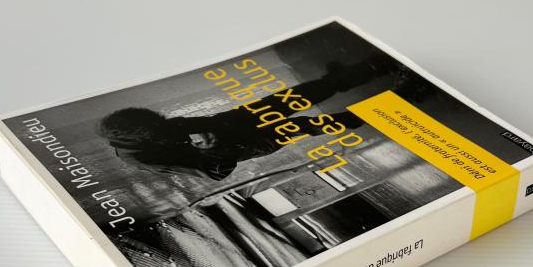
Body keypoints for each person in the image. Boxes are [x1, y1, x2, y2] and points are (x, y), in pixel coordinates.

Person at [97, 58, 377, 181]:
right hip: (250, 142)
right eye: (161, 126)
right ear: (147, 139)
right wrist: (213, 147)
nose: (166, 123)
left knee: (295, 96)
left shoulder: (143, 130)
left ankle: (357, 74)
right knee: (306, 125)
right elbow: (215, 173)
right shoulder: (147, 159)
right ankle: (373, 112)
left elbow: (173, 127)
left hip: (234, 120)